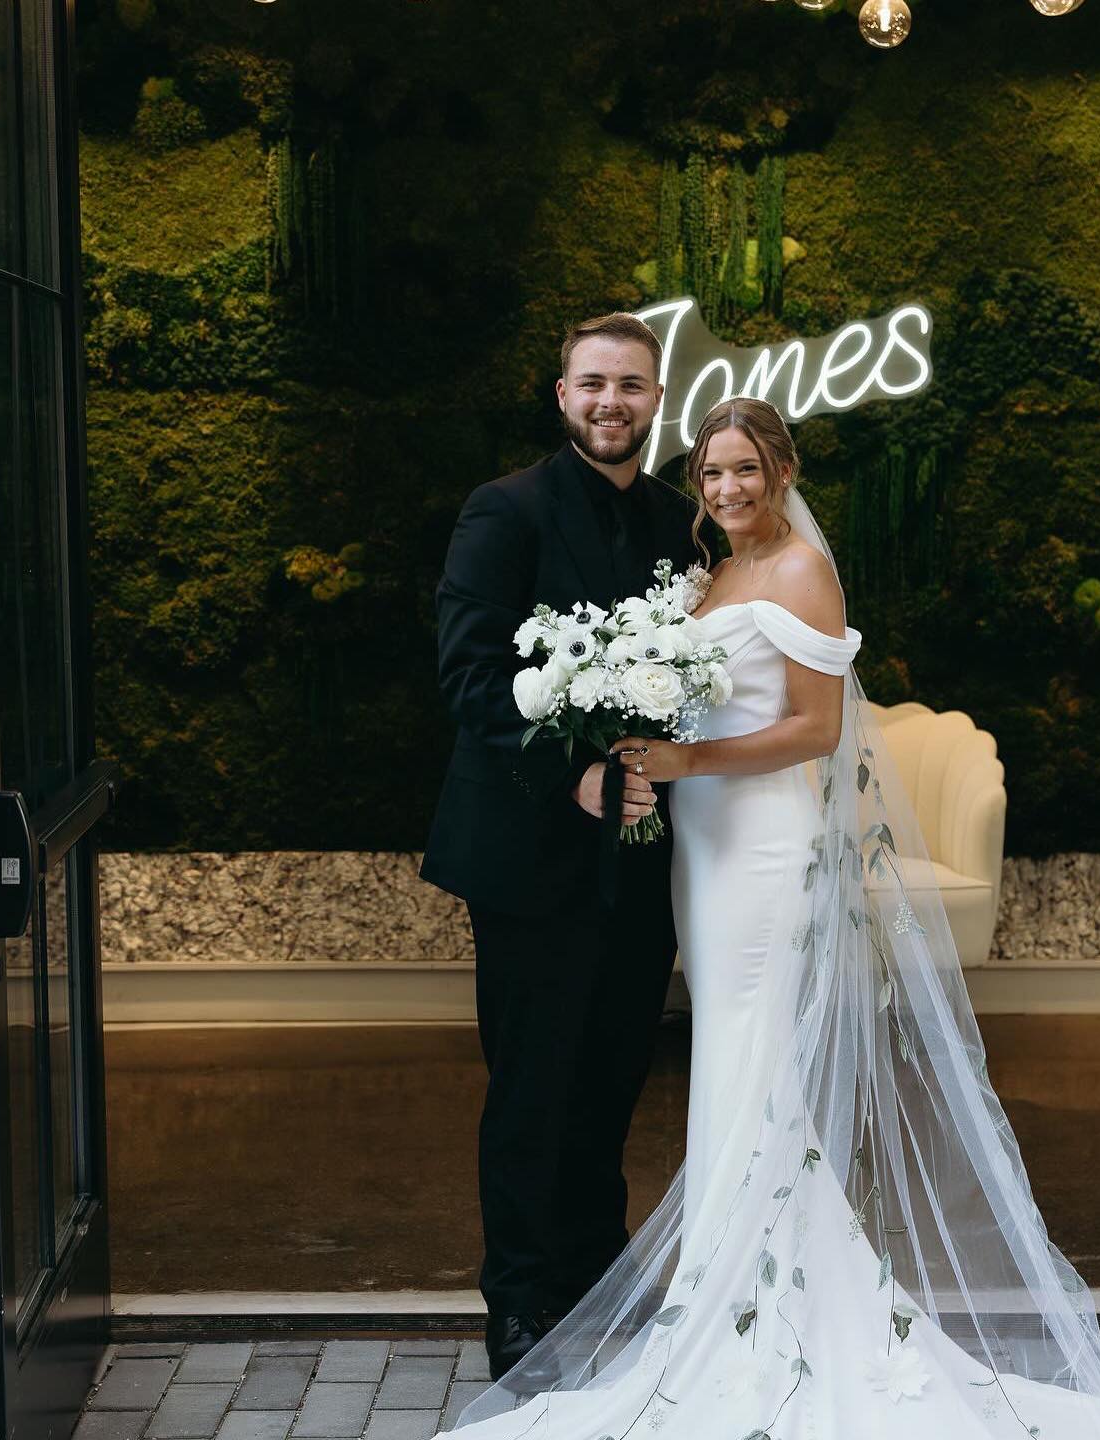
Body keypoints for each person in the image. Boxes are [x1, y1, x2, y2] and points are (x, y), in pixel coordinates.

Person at [440, 397, 1100, 1439]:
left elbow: (814, 729)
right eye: (713, 473)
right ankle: (730, 1297)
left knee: (753, 1061)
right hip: (701, 854)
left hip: (762, 849)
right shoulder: (708, 569)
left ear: (783, 469)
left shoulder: (801, 569)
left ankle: (757, 1312)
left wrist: (687, 761)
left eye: (747, 470)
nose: (727, 489)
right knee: (727, 1058)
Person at [419, 313, 716, 1380]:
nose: (612, 403)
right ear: (562, 396)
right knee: (534, 1082)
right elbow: (467, 673)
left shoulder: (685, 523)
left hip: (640, 859)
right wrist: (572, 771)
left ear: (655, 398)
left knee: (614, 1076)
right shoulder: (504, 511)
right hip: (529, 857)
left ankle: (600, 1279)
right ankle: (519, 1304)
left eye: (632, 385)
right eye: (594, 383)